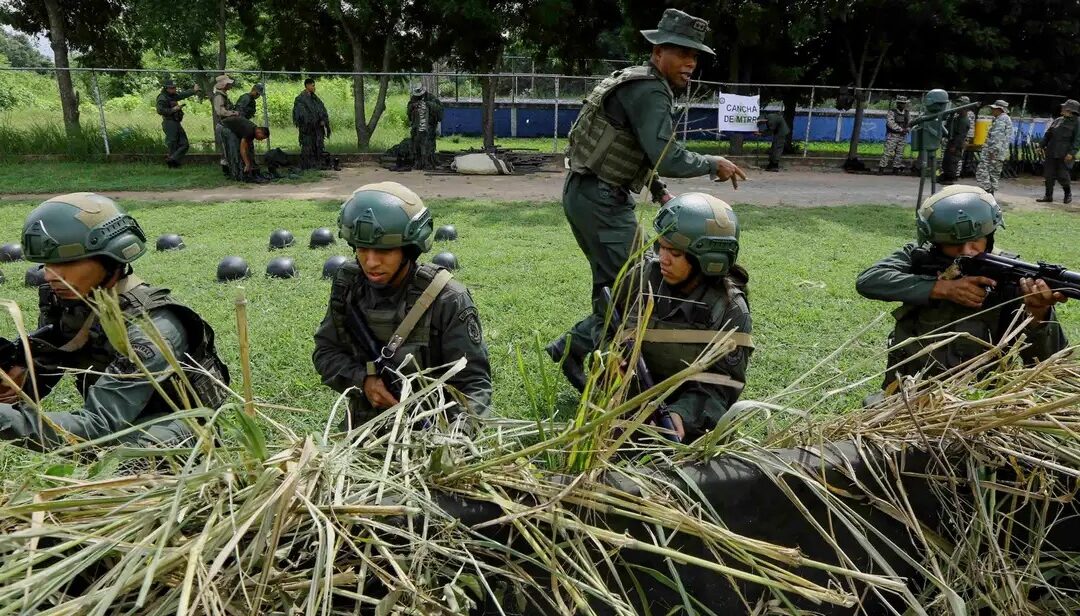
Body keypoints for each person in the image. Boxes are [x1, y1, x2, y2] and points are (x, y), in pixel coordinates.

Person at [552, 8, 746, 366]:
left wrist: (658, 191)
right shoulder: (651, 91)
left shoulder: (639, 82)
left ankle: (594, 358)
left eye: (695, 56)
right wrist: (711, 163)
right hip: (602, 200)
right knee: (639, 284)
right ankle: (574, 349)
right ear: (658, 52)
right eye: (683, 53)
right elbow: (666, 156)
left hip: (588, 193)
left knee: (614, 285)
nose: (691, 63)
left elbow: (633, 148)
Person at [0, 193, 230, 450]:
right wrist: (22, 373)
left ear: (110, 257)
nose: (50, 275)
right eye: (46, 264)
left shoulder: (153, 327)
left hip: (180, 432)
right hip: (122, 422)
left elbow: (97, 426)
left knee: (124, 454)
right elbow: (57, 354)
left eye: (68, 261)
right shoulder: (74, 303)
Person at [553, 193, 752, 443]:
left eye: (675, 253)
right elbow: (605, 323)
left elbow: (724, 385)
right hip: (628, 400)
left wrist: (682, 415)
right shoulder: (641, 277)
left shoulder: (729, 309)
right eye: (661, 247)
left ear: (707, 260)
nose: (662, 259)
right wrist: (610, 355)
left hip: (687, 418)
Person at [856, 185, 1067, 396]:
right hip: (905, 393)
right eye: (954, 244)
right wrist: (940, 288)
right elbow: (869, 280)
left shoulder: (1012, 278)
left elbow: (1049, 364)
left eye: (975, 241)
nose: (967, 251)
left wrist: (1038, 313)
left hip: (974, 401)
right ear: (936, 243)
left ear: (989, 236)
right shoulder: (919, 257)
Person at [312, 182, 491, 429]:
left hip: (436, 429)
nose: (371, 262)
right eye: (362, 249)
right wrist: (363, 381)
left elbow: (474, 384)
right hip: (367, 429)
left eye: (384, 251)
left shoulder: (447, 299)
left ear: (409, 250)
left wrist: (456, 437)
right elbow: (326, 352)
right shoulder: (349, 285)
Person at [1036, 98, 1080, 204]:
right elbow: (1048, 134)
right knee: (1048, 175)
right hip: (1051, 151)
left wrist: (1072, 153)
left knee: (1063, 176)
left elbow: (1077, 139)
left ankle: (1067, 194)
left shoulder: (1077, 122)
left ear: (1070, 110)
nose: (1062, 108)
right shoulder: (1058, 120)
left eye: (1064, 107)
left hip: (1064, 153)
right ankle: (1048, 196)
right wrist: (1041, 145)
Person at [155, 79, 200, 168]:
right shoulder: (162, 97)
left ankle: (173, 159)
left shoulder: (172, 96)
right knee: (172, 143)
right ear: (167, 88)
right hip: (169, 122)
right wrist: (173, 109)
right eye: (172, 88)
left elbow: (182, 95)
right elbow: (160, 110)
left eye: (175, 87)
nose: (174, 89)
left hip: (176, 122)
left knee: (184, 144)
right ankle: (173, 164)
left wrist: (193, 91)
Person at [976, 100, 1013, 195]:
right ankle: (990, 195)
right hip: (998, 153)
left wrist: (992, 152)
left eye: (994, 109)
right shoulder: (1004, 119)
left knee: (982, 172)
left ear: (1000, 109)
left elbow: (997, 138)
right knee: (993, 175)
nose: (992, 110)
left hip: (992, 153)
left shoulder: (1001, 120)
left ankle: (987, 193)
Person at [293, 78, 331, 170]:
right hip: (307, 129)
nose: (314, 87)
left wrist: (323, 120)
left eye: (314, 86)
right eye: (313, 85)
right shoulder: (300, 99)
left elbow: (322, 110)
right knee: (307, 147)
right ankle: (307, 166)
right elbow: (302, 115)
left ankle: (317, 164)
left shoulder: (315, 99)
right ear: (307, 86)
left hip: (317, 129)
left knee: (318, 146)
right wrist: (314, 121)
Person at [220, 116, 270, 182]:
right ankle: (231, 173)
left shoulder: (253, 131)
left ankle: (238, 172)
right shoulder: (249, 131)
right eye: (262, 138)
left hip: (231, 128)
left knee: (243, 152)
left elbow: (247, 149)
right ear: (259, 132)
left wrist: (249, 161)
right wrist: (247, 164)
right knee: (233, 152)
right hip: (224, 127)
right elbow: (242, 149)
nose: (261, 140)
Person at [212, 74, 241, 178]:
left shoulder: (223, 95)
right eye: (228, 83)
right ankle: (227, 172)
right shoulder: (219, 96)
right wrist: (233, 113)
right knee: (225, 150)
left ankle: (232, 170)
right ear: (223, 85)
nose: (230, 85)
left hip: (226, 125)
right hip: (222, 125)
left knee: (229, 148)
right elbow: (220, 112)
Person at [407, 86, 443, 170]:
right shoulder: (414, 99)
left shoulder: (432, 98)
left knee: (427, 145)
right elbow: (409, 110)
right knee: (416, 144)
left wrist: (428, 104)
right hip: (416, 127)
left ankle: (427, 163)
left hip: (429, 127)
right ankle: (417, 162)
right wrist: (413, 106)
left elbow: (439, 110)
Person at [939, 95, 972, 184]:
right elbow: (948, 127)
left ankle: (950, 178)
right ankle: (945, 176)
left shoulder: (964, 120)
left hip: (956, 143)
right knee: (947, 160)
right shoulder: (957, 118)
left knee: (952, 161)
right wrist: (951, 115)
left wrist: (955, 145)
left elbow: (961, 135)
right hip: (951, 141)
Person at [878, 96, 911, 174]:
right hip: (892, 135)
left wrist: (907, 129)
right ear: (897, 103)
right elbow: (890, 123)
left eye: (903, 103)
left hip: (902, 136)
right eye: (900, 103)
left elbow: (910, 123)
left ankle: (896, 169)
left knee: (899, 153)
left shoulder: (907, 113)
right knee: (887, 152)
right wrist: (901, 129)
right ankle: (881, 169)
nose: (902, 105)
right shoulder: (892, 112)